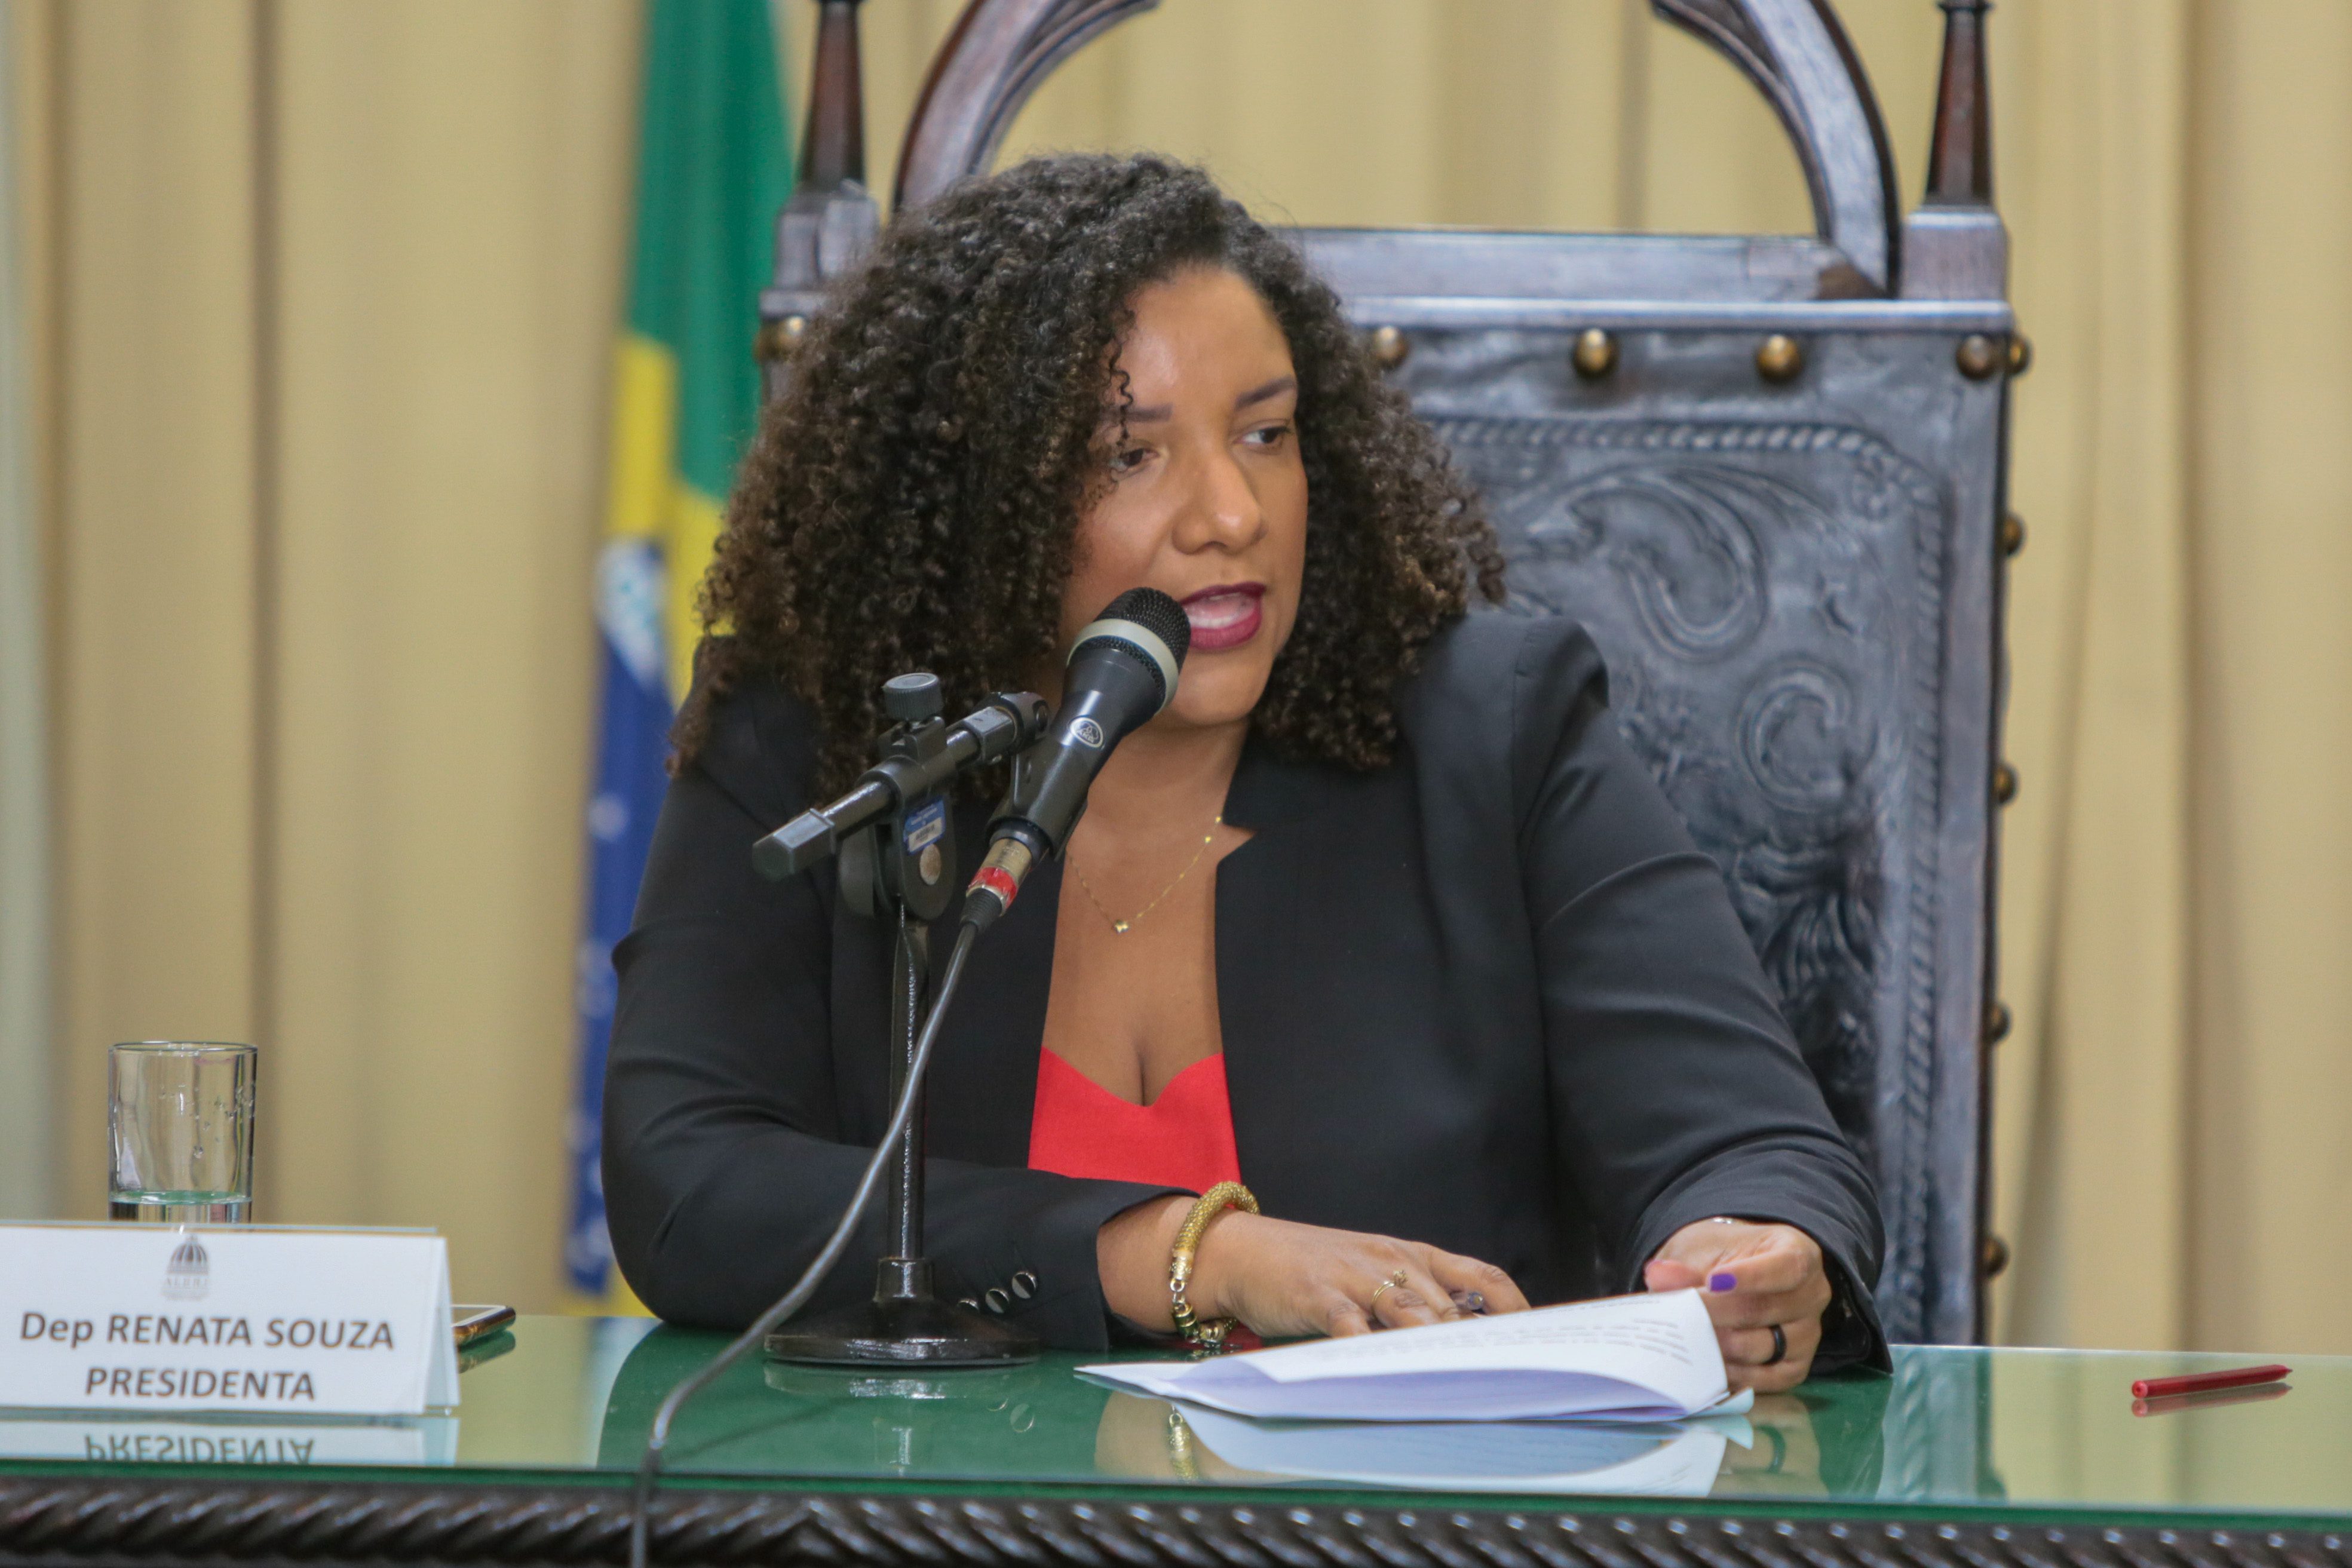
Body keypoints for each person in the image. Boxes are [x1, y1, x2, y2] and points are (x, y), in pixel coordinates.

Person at [605, 153, 1888, 1389]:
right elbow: (685, 1184)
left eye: (1266, 432)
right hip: (934, 1506)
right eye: (1128, 454)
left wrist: (1746, 1243)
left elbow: (1748, 1137)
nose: (1233, 513)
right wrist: (1189, 1254)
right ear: (977, 495)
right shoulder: (825, 747)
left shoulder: (1493, 732)